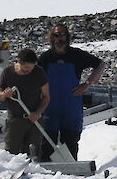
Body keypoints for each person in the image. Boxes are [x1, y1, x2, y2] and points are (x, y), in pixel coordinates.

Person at [38, 24, 105, 161]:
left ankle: (71, 176)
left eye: (62, 35)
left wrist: (87, 84)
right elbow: (34, 78)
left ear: (67, 37)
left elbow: (101, 65)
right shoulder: (46, 58)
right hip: (50, 108)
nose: (59, 38)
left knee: (70, 145)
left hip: (71, 108)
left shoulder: (77, 55)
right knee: (46, 146)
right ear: (52, 38)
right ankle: (44, 176)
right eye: (56, 35)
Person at [0, 48, 50, 158]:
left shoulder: (39, 72)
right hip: (15, 120)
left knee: (33, 154)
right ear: (19, 62)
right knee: (11, 154)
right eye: (26, 68)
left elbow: (46, 97)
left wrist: (38, 112)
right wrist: (5, 94)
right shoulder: (8, 73)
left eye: (32, 67)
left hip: (35, 120)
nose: (29, 70)